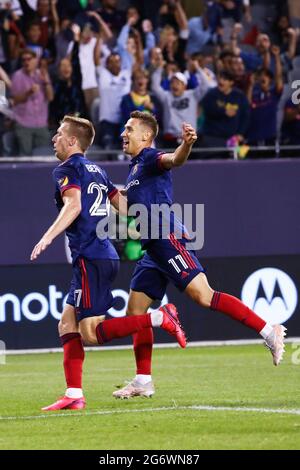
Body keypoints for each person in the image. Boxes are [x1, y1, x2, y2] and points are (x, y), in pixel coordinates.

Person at [113, 110, 287, 399]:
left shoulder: (151, 158)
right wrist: (105, 190)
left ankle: (269, 330)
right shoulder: (134, 170)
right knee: (135, 312)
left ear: (146, 136)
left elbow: (175, 159)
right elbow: (128, 208)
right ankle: (143, 380)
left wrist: (187, 145)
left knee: (204, 296)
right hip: (152, 248)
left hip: (166, 237)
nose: (123, 134)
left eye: (129, 129)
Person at [30, 115, 186, 411]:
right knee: (67, 324)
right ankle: (74, 394)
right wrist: (160, 220)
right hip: (100, 256)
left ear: (73, 141)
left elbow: (73, 205)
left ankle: (159, 317)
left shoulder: (66, 169)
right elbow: (125, 206)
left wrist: (47, 237)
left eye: (59, 134)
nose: (54, 139)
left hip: (91, 257)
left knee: (91, 333)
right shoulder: (98, 170)